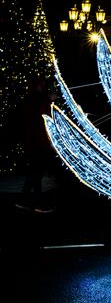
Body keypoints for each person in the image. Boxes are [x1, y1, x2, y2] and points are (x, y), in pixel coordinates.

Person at [15, 75, 58, 213]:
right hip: (36, 142)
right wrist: (49, 101)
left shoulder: (34, 99)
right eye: (40, 84)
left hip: (36, 141)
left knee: (35, 173)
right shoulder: (33, 100)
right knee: (36, 172)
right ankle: (37, 203)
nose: (43, 86)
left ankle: (24, 201)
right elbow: (40, 116)